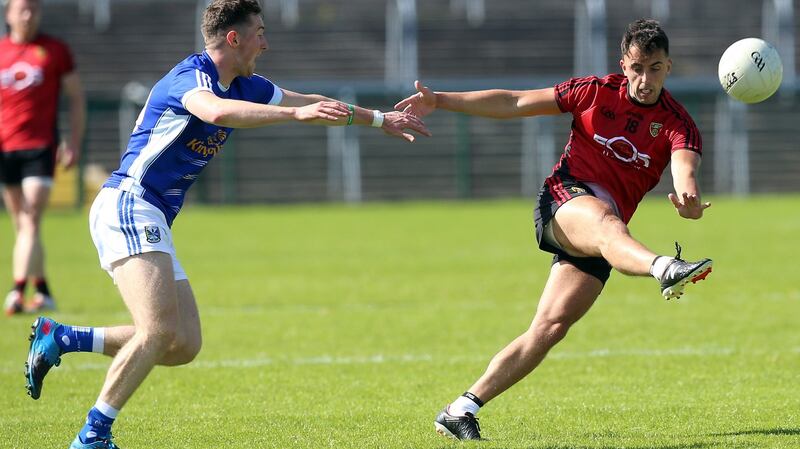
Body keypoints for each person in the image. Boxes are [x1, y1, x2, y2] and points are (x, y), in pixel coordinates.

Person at [23, 1, 430, 448]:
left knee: (182, 343)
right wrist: (294, 116)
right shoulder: (191, 77)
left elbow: (312, 102)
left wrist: (379, 119)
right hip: (129, 203)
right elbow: (214, 112)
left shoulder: (247, 85)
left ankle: (60, 337)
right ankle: (92, 436)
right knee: (158, 331)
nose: (266, 42)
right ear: (233, 38)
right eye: (259, 32)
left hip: (152, 212)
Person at [395, 18, 713, 440]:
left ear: (668, 68)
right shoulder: (594, 92)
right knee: (606, 221)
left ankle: (460, 409)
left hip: (604, 239)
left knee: (549, 328)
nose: (644, 79)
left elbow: (684, 170)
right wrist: (442, 100)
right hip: (563, 200)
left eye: (654, 68)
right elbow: (515, 101)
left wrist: (689, 201)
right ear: (624, 64)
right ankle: (664, 269)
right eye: (636, 67)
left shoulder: (678, 122)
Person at [1, 0, 86, 315]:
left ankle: (17, 289)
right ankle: (44, 289)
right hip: (5, 148)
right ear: (8, 14)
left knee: (32, 217)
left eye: (34, 9)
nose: (29, 14)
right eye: (22, 9)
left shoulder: (54, 50)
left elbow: (76, 98)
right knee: (21, 223)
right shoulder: (1, 52)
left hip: (40, 146)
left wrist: (73, 142)